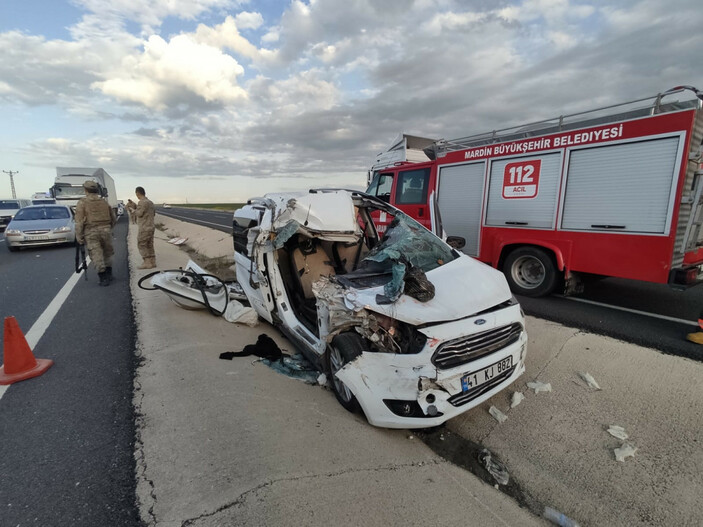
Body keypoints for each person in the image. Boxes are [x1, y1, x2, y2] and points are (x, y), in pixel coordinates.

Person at [75, 180, 116, 286]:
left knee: (96, 253)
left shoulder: (82, 203)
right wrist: (109, 227)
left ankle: (103, 278)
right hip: (106, 230)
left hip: (91, 231)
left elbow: (79, 221)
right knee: (108, 252)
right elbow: (113, 218)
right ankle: (109, 273)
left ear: (85, 190)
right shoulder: (104, 202)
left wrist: (79, 236)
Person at [127, 186, 156, 269]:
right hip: (151, 226)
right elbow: (153, 213)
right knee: (150, 244)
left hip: (144, 227)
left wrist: (133, 211)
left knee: (142, 244)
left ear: (137, 193)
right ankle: (152, 261)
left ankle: (147, 262)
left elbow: (139, 213)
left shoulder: (142, 202)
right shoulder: (151, 202)